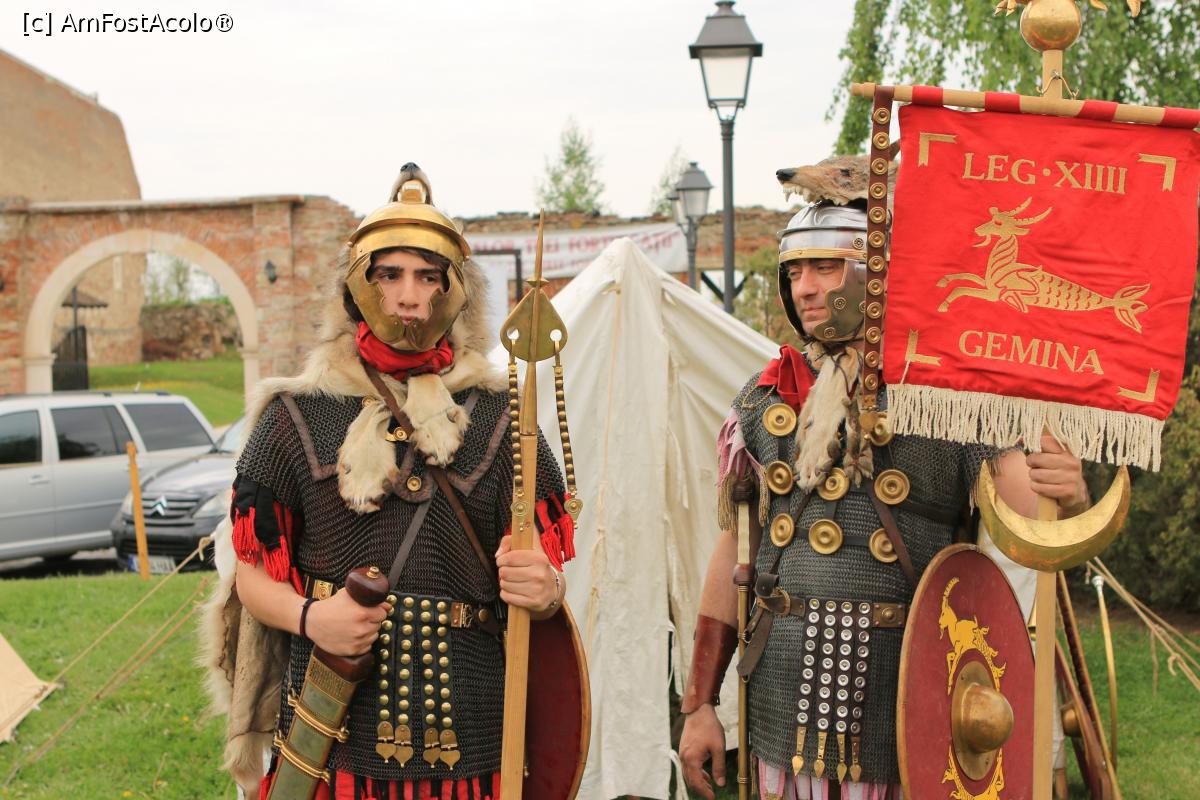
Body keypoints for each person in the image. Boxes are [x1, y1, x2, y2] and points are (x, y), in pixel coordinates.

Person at [677, 199, 1088, 800]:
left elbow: (1033, 523)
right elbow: (734, 551)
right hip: (782, 702)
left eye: (825, 268)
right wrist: (699, 704)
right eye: (795, 271)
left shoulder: (946, 396)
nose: (805, 288)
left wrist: (1068, 494)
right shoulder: (766, 398)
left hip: (905, 697)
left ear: (875, 276)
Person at [203, 164, 576, 800]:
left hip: (470, 734)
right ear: (359, 286)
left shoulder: (502, 417)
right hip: (333, 736)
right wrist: (313, 618)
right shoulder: (296, 416)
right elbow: (252, 576)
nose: (409, 297)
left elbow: (540, 570)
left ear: (453, 290)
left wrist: (545, 590)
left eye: (428, 276)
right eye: (390, 275)